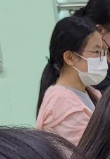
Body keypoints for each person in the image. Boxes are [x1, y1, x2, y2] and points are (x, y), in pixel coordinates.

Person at [36, 15, 106, 145]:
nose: (102, 59)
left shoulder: (91, 93)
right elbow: (93, 154)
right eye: (96, 52)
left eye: (102, 52)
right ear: (70, 57)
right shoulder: (62, 104)